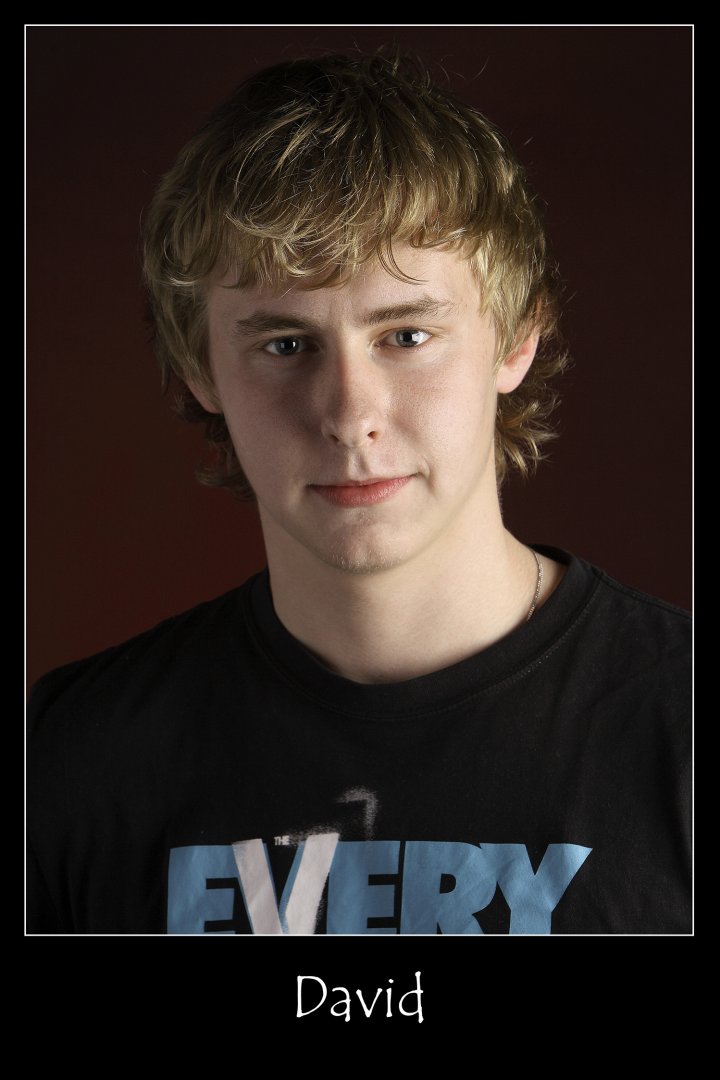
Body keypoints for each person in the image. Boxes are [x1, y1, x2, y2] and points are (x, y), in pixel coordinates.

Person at [27, 50, 691, 935]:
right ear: (199, 368)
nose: (348, 416)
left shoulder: (679, 728)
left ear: (516, 339)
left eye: (406, 335)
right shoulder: (66, 760)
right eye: (285, 345)